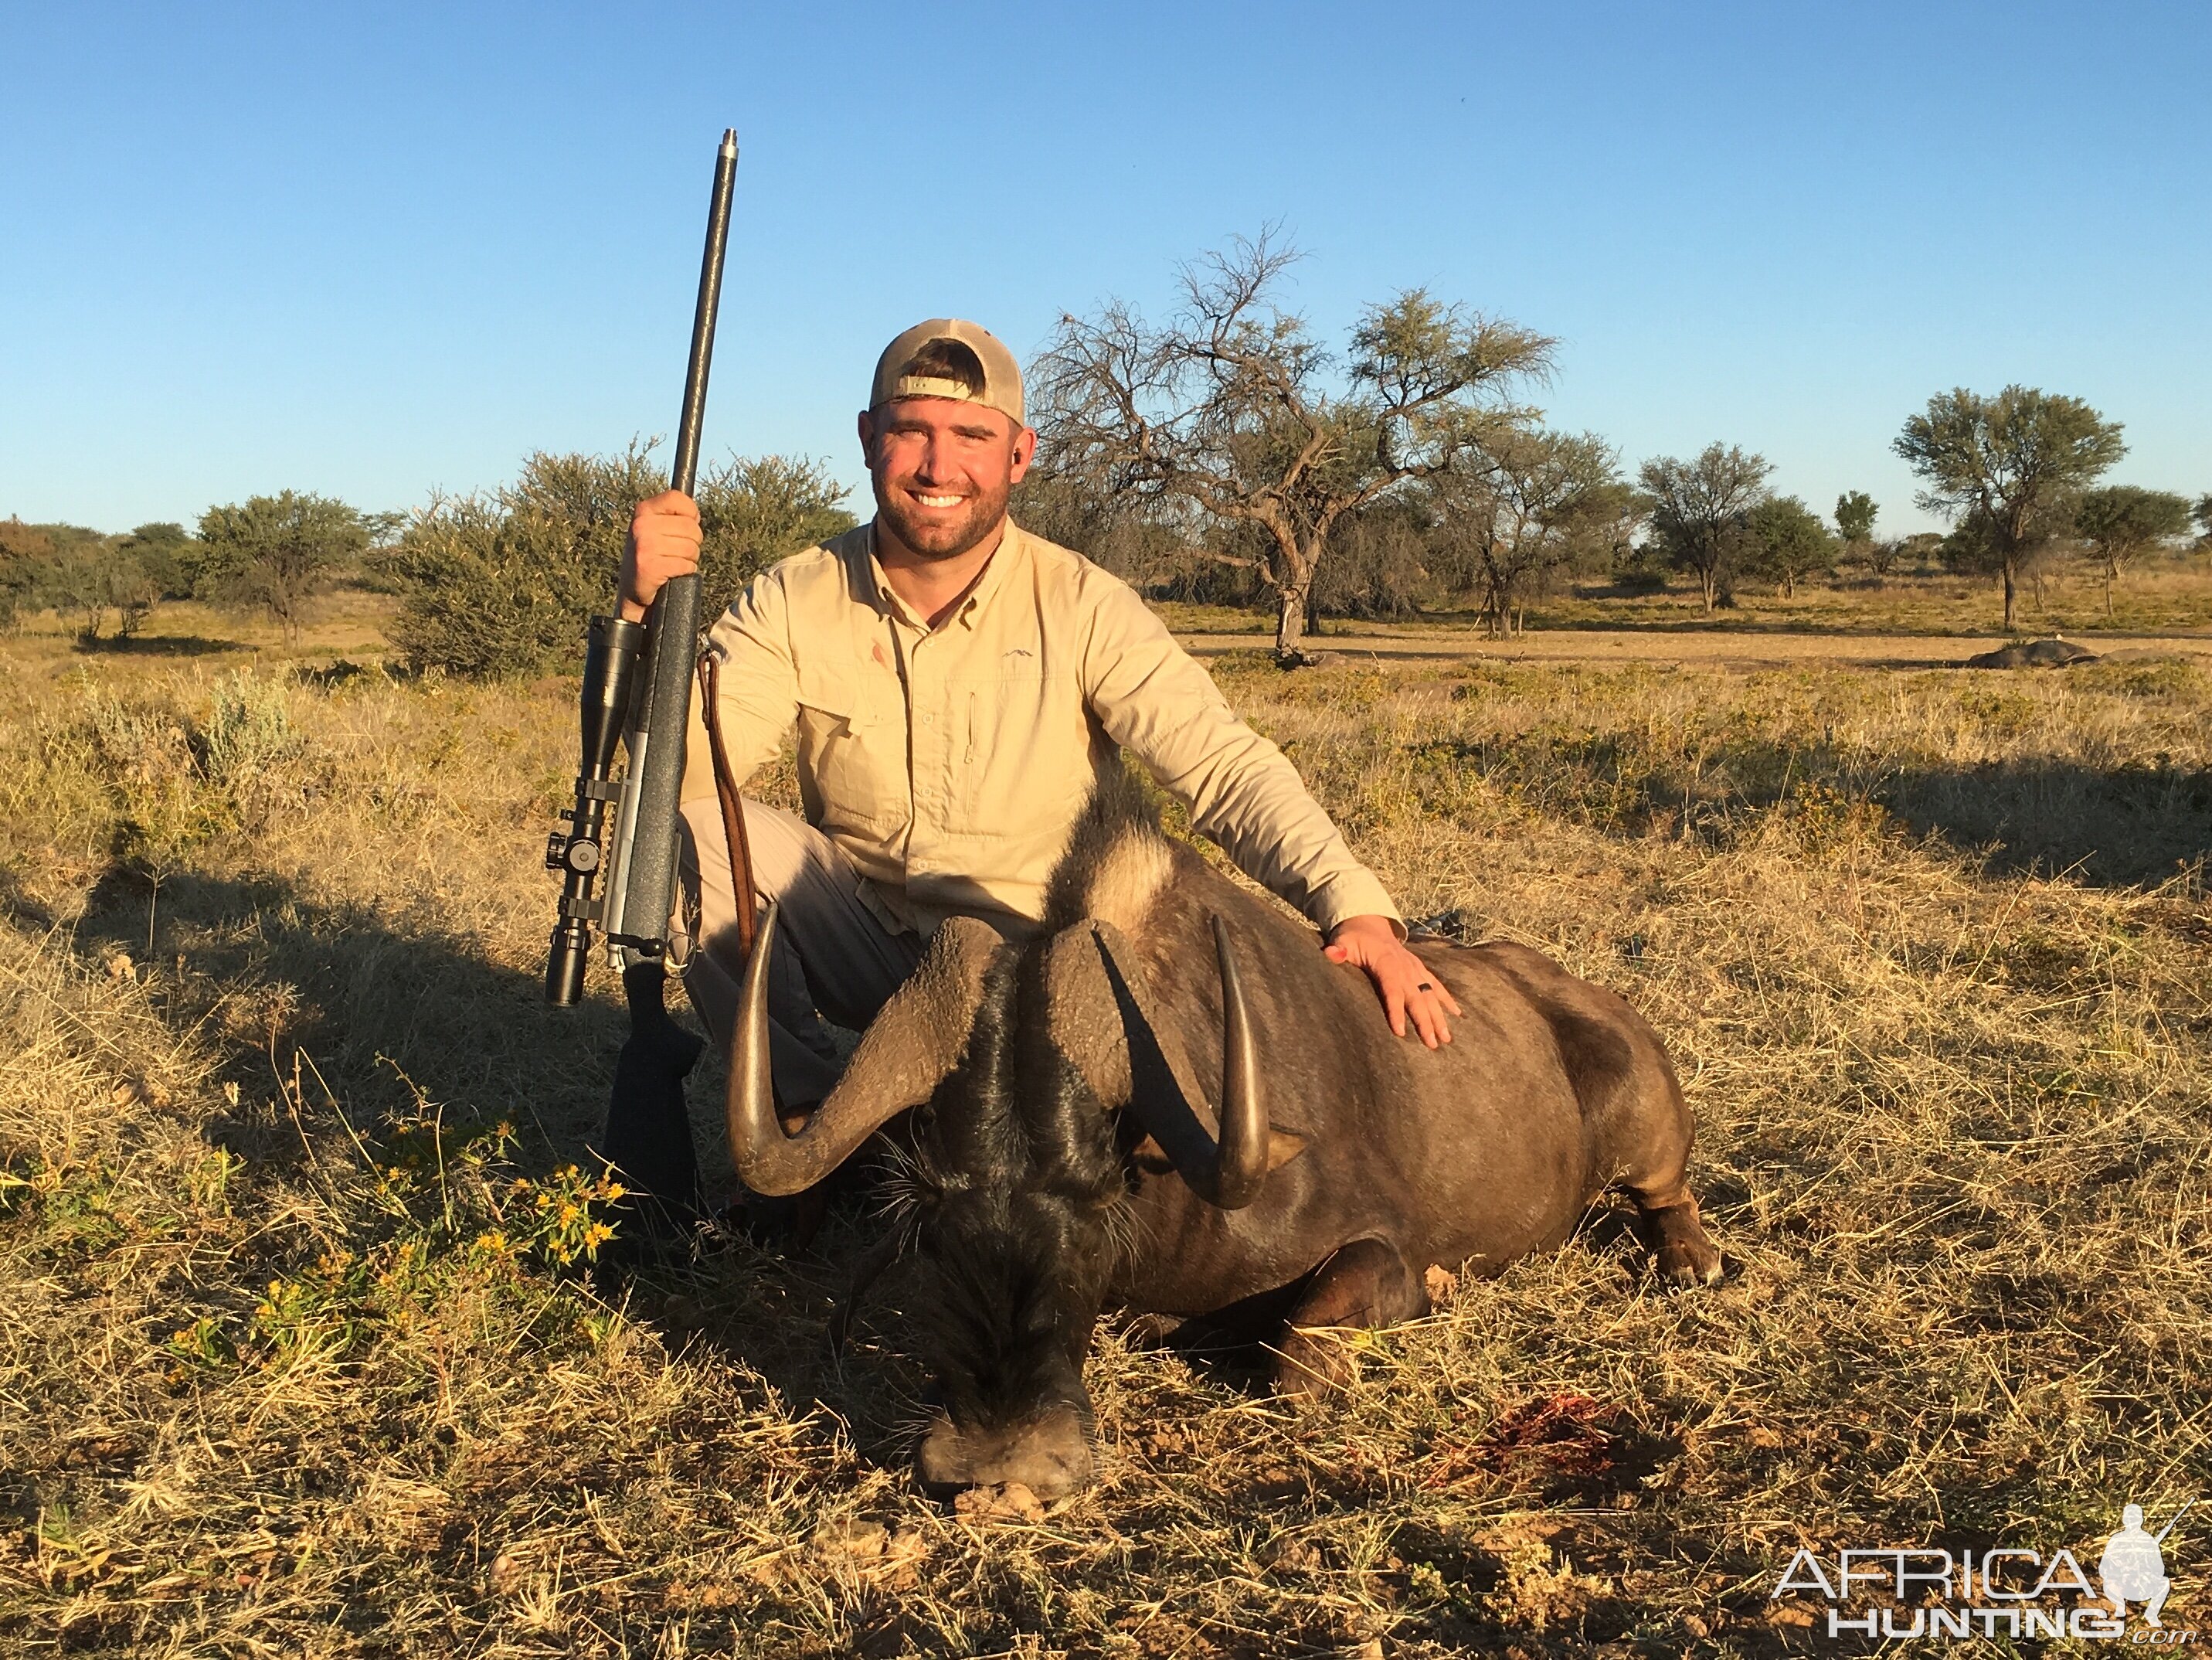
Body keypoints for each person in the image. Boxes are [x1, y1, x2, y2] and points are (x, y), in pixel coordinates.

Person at [623, 318, 1459, 1113]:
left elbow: (1222, 767)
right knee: (685, 834)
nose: (936, 466)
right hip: (875, 951)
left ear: (1020, 455)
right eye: (911, 430)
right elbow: (688, 779)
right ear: (868, 438)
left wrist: (1357, 913)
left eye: (972, 438)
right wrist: (640, 617)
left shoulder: (1083, 601)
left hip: (1047, 966)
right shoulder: (792, 595)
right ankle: (803, 1123)